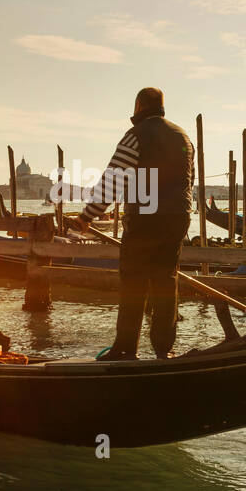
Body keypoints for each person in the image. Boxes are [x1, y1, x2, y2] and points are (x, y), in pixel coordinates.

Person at [75, 87, 193, 360]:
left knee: (133, 283)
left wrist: (86, 216)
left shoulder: (136, 135)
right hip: (178, 218)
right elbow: (190, 180)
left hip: (145, 219)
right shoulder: (184, 137)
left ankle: (126, 348)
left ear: (139, 106)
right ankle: (165, 350)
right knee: (166, 281)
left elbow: (113, 181)